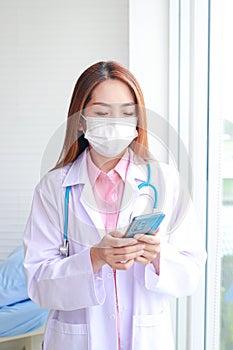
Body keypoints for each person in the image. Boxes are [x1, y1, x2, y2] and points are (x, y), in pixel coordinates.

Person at [23, 61, 206, 350]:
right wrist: (94, 258)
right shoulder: (54, 189)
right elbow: (38, 284)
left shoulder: (166, 181)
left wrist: (159, 255)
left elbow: (192, 273)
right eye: (102, 113)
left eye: (127, 113)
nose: (115, 122)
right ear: (81, 120)